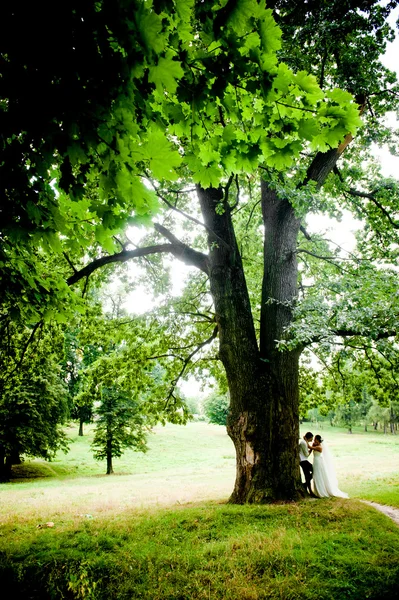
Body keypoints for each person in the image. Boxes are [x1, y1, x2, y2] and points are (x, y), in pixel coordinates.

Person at [311, 434, 348, 498]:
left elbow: (310, 447)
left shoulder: (319, 447)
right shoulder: (316, 445)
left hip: (318, 461)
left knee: (318, 475)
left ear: (318, 440)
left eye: (315, 439)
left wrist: (306, 441)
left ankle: (321, 492)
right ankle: (317, 491)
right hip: (315, 461)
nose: (314, 440)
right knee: (316, 475)